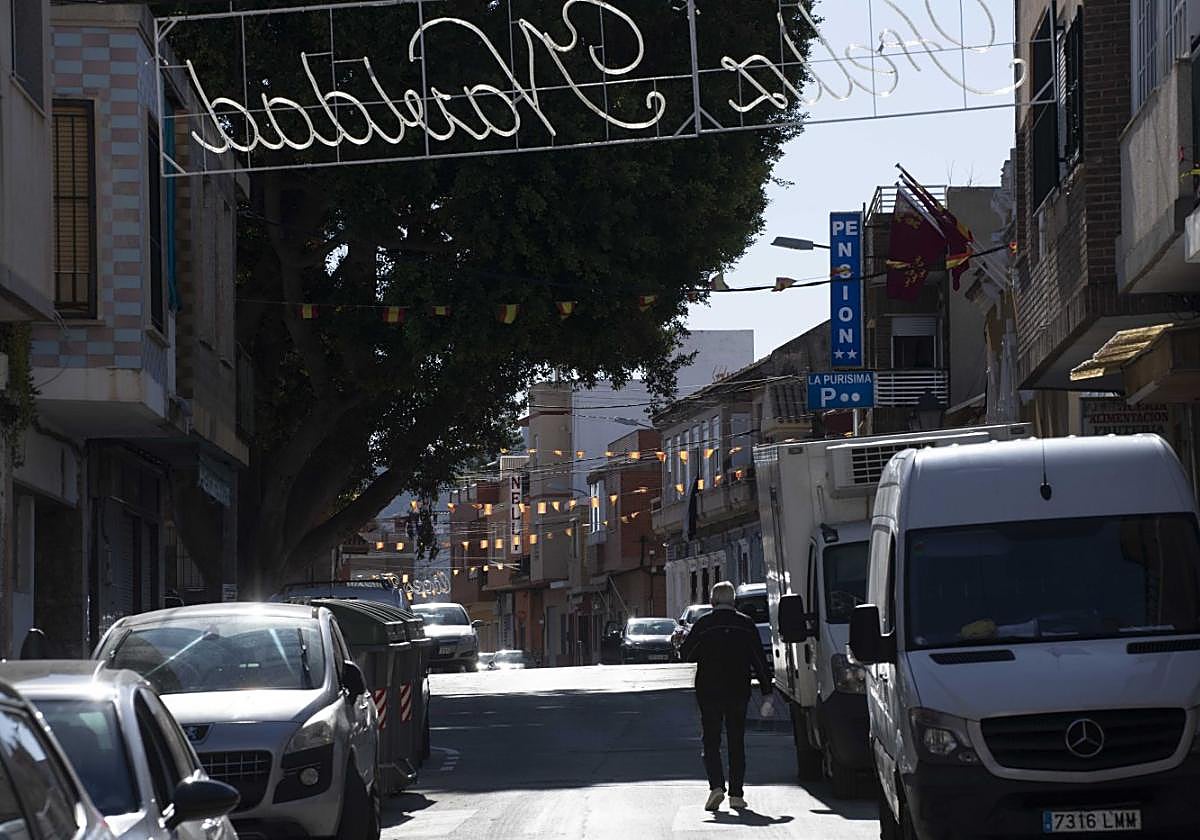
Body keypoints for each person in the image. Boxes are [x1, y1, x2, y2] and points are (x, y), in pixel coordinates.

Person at [680, 581, 773, 812]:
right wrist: (767, 691)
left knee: (711, 740)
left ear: (712, 601)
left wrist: (686, 646)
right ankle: (736, 794)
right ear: (734, 601)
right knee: (736, 741)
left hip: (708, 691)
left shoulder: (704, 624)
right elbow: (758, 659)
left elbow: (687, 655)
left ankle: (716, 787)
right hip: (738, 691)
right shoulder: (746, 624)